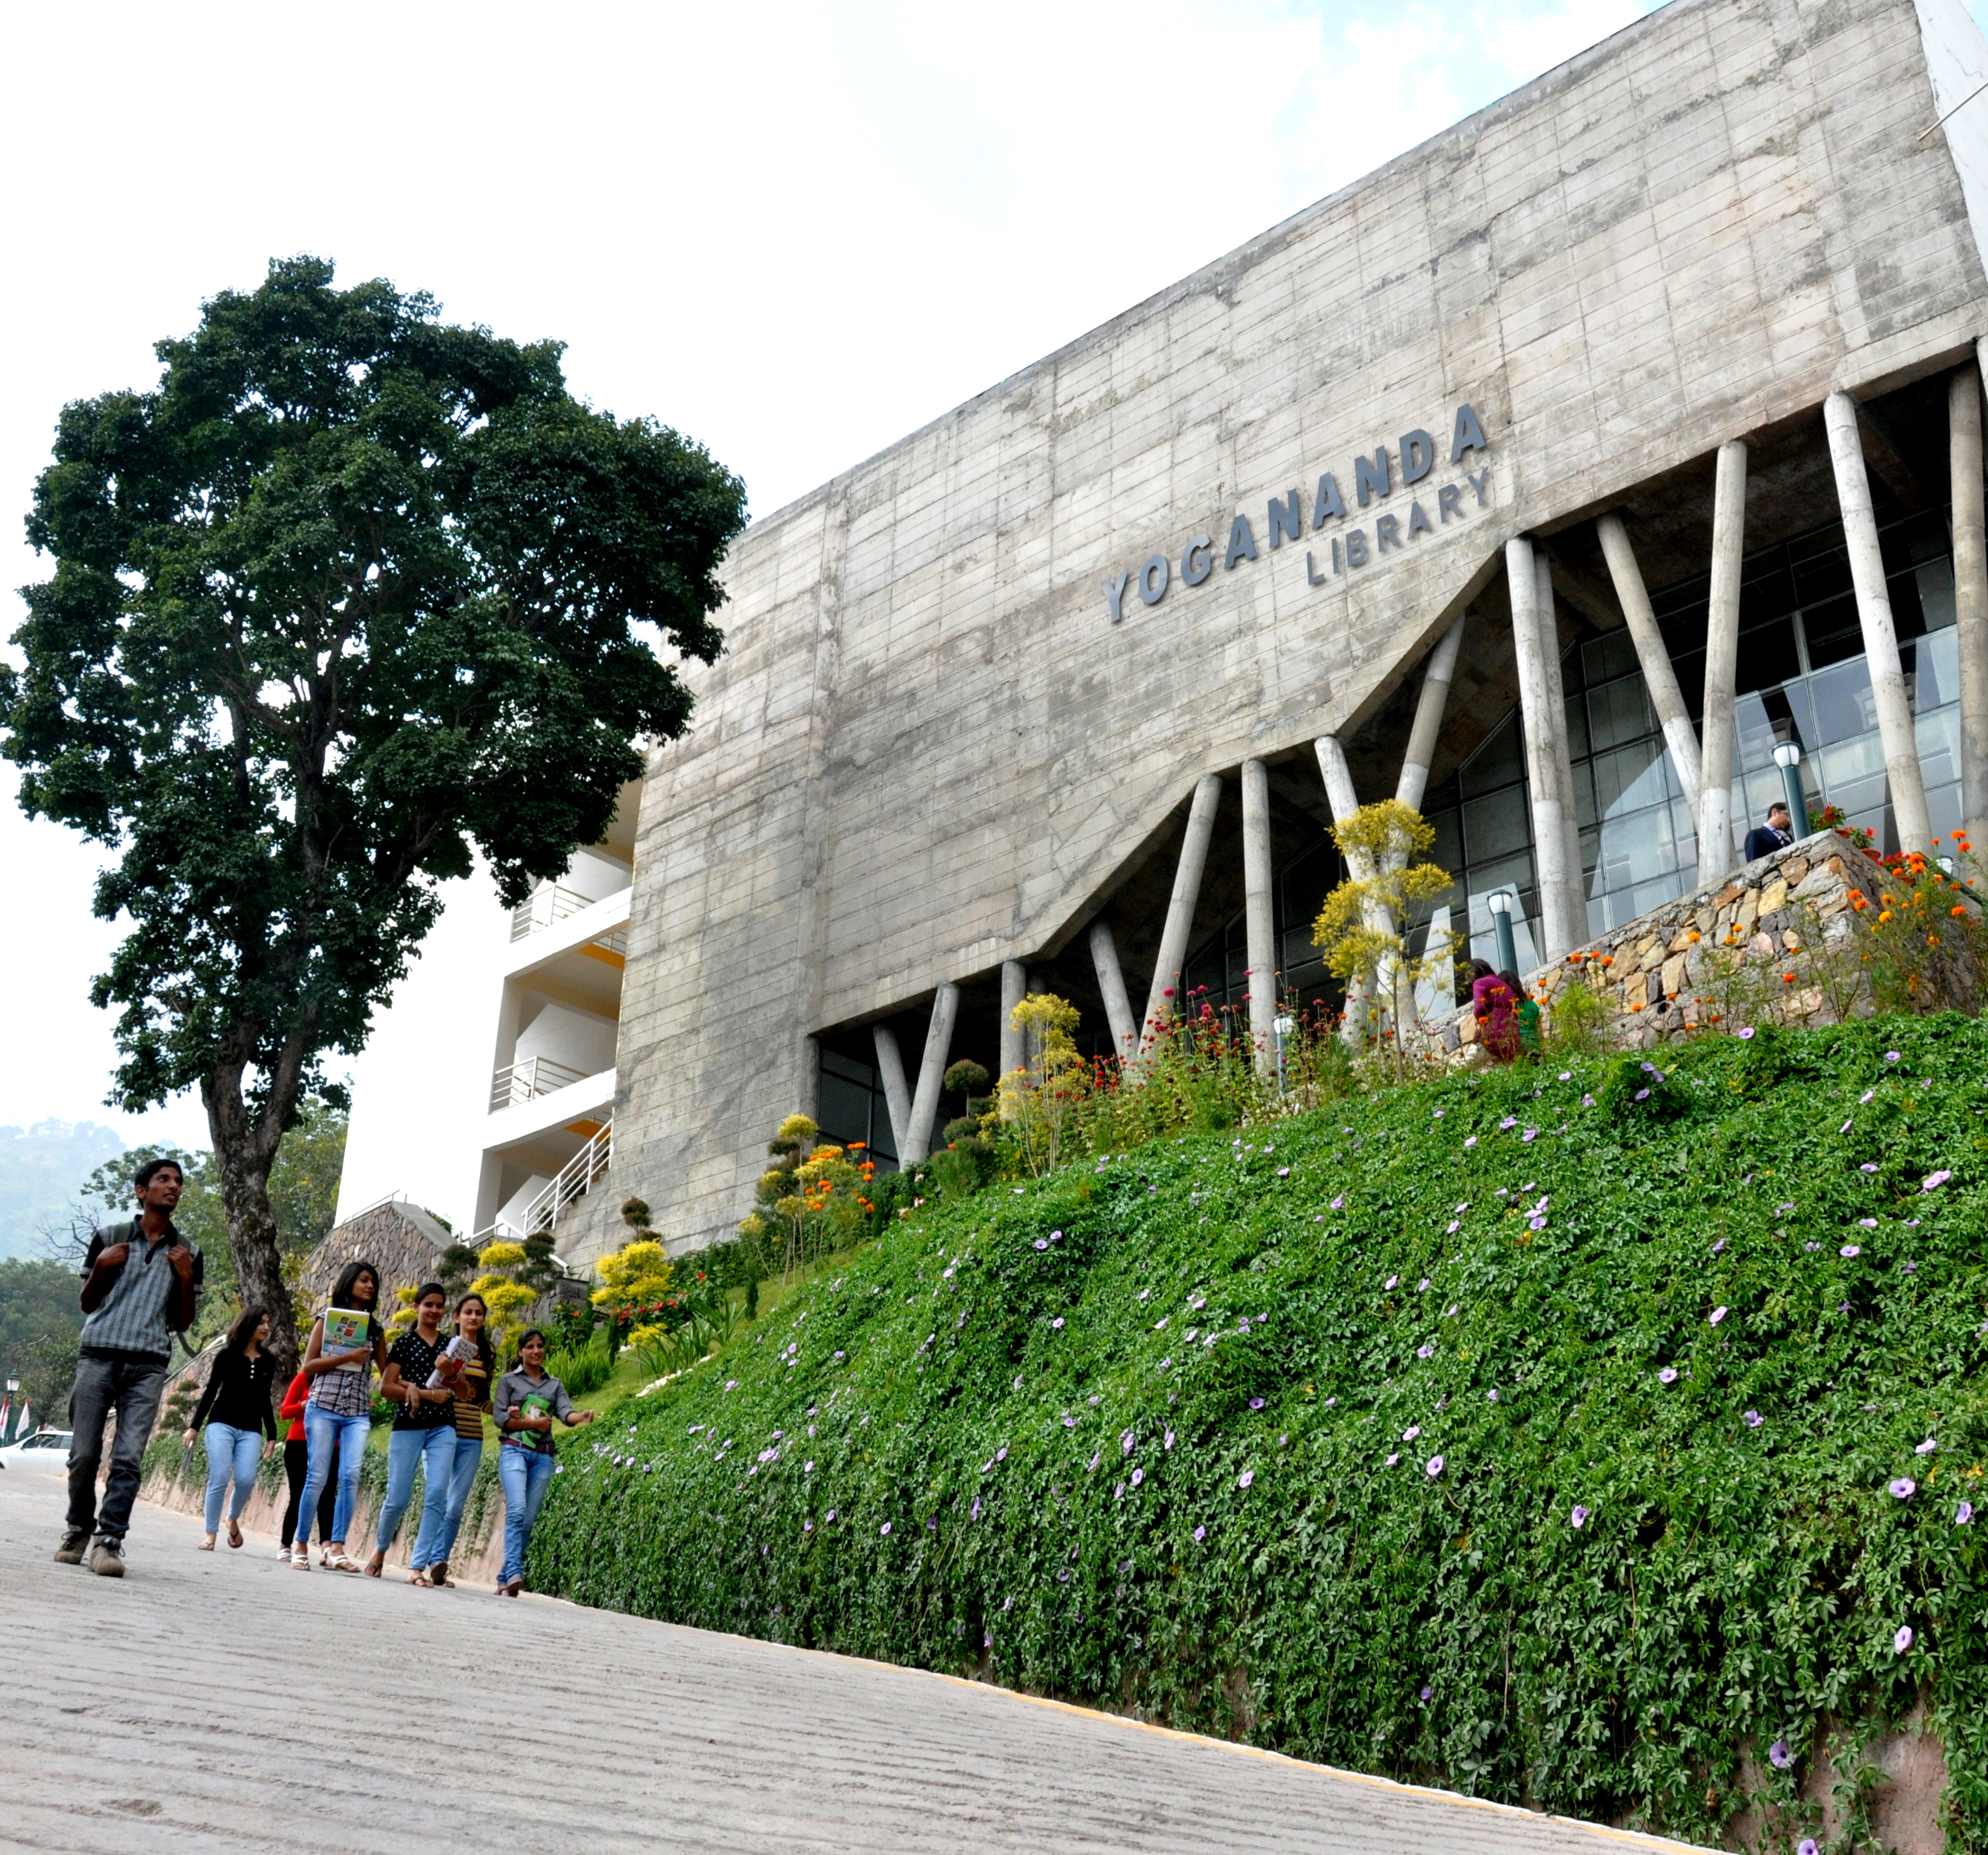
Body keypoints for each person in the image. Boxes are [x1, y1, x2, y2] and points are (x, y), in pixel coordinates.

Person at [59, 1157, 203, 1577]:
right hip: (98, 1354)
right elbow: (88, 1304)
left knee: (128, 1459)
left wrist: (184, 1276)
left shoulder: (188, 1253)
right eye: (163, 1180)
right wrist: (102, 1267)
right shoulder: (109, 1238)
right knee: (83, 1456)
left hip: (148, 1364)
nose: (172, 1186)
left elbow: (181, 1322)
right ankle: (78, 1529)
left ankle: (109, 1542)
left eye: (177, 1181)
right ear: (142, 1192)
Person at [293, 1258, 389, 1572]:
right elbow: (309, 1366)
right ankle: (301, 1543)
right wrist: (348, 1356)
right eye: (364, 1280)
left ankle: (336, 1547)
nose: (369, 1286)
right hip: (323, 1406)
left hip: (357, 1411)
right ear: (349, 1283)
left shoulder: (375, 1330)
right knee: (317, 1476)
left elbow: (387, 1373)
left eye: (373, 1282)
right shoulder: (328, 1318)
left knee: (350, 1476)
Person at [492, 1328, 596, 1597]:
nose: (536, 1351)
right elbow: (500, 1419)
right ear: (520, 1352)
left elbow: (565, 1413)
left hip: (544, 1455)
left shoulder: (555, 1384)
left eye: (540, 1346)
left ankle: (505, 1578)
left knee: (527, 1520)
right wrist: (525, 1420)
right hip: (514, 1449)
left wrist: (581, 1417)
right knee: (516, 1510)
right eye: (530, 1347)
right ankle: (515, 1571)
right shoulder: (508, 1381)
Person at [369, 1282, 463, 1580]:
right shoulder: (405, 1344)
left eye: (439, 1306)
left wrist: (450, 1372)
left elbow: (463, 1390)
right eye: (428, 1305)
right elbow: (386, 1387)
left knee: (437, 1493)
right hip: (408, 1425)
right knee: (397, 1497)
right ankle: (381, 1549)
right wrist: (423, 1393)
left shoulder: (452, 1346)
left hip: (442, 1426)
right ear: (417, 1308)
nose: (434, 1311)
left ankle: (416, 1566)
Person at [407, 1292, 494, 1588]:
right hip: (440, 1429)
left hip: (473, 1435)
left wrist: (506, 1411)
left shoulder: (486, 1354)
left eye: (479, 1313)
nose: (473, 1318)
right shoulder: (443, 1347)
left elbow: (480, 1399)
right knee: (437, 1498)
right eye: (468, 1312)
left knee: (456, 1505)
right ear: (456, 1317)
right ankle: (426, 1559)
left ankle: (439, 1563)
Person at [184, 1306, 279, 1551]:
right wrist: (194, 1427)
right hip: (221, 1423)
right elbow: (210, 1391)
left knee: (246, 1479)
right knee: (219, 1477)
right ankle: (210, 1534)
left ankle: (232, 1518)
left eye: (268, 1323)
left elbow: (264, 1398)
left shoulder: (268, 1360)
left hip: (251, 1428)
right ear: (247, 1324)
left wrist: (272, 1433)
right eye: (261, 1323)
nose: (266, 1328)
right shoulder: (226, 1356)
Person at [277, 1365, 339, 1565]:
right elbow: (285, 1412)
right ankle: (286, 1544)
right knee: (299, 1495)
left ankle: (326, 1548)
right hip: (299, 1442)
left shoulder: (344, 1379)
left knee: (328, 1495)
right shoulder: (305, 1377)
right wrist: (304, 1405)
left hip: (332, 1444)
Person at [1468, 958, 1519, 1062]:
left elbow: (1480, 1007)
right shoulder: (1502, 984)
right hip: (1512, 1032)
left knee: (1468, 1064)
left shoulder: (1479, 983)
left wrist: (1479, 1020)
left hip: (1494, 1032)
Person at [1504, 969, 1543, 1058]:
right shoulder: (1532, 1004)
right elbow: (1539, 1029)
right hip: (1535, 1044)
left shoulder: (1508, 1006)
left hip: (1519, 1046)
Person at [1743, 800, 1795, 864]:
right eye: (1787, 815)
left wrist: (1791, 835)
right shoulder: (1756, 835)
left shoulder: (1786, 842)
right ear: (1774, 812)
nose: (1788, 820)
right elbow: (1753, 864)